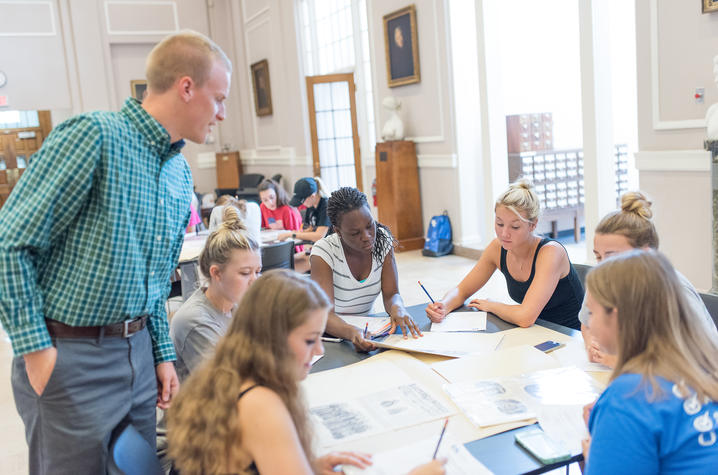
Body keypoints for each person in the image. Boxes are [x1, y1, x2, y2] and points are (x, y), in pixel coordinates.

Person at [0, 30, 232, 473]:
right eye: (218, 98)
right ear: (186, 87)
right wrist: (36, 350)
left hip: (140, 356)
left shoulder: (179, 174)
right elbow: (10, 243)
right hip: (72, 357)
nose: (221, 113)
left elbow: (157, 279)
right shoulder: (94, 137)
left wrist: (162, 352)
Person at [166, 269, 446, 475]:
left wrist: (307, 466)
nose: (319, 352)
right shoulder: (260, 404)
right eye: (310, 340)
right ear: (273, 337)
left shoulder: (230, 375)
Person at [581, 250, 718, 473]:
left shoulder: (628, 397)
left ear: (615, 316)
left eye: (591, 313)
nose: (590, 325)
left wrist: (593, 456)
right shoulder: (704, 366)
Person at [581, 191, 717, 368]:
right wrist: (593, 344)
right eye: (598, 257)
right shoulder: (602, 281)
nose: (603, 266)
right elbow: (587, 323)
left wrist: (624, 362)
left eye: (612, 257)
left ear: (646, 253)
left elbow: (701, 358)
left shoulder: (673, 289)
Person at [426, 180, 583, 330]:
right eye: (499, 223)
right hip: (535, 332)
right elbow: (462, 290)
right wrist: (443, 305)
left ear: (533, 224)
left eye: (515, 227)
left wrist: (493, 305)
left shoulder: (551, 253)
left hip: (570, 338)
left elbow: (525, 317)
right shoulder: (497, 248)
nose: (504, 233)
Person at [311, 187, 422, 352]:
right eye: (355, 233)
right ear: (338, 231)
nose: (367, 236)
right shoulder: (324, 252)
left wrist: (397, 308)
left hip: (370, 328)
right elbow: (324, 314)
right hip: (333, 336)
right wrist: (351, 332)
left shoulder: (382, 241)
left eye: (370, 225)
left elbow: (391, 294)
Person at [171, 206, 261, 382]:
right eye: (245, 273)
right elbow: (228, 385)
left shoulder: (236, 303)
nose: (255, 280)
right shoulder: (194, 321)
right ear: (216, 273)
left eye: (258, 271)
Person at [278, 176, 331, 273]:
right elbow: (310, 229)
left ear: (312, 196)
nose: (302, 204)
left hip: (330, 252)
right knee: (285, 263)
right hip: (317, 248)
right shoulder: (311, 205)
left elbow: (319, 235)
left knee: (288, 270)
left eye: (302, 200)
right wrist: (296, 232)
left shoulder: (326, 206)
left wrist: (291, 234)